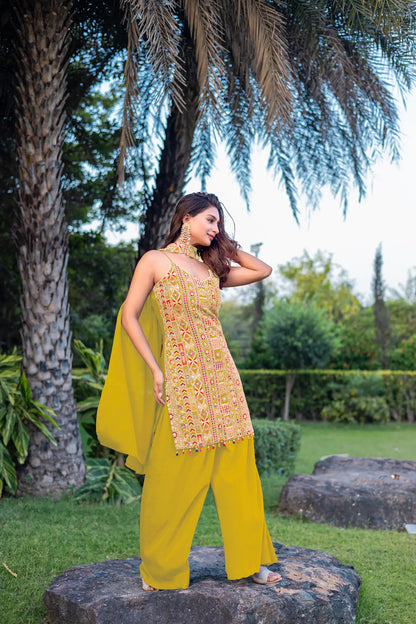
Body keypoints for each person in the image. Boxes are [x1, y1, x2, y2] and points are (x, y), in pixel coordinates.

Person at [97, 192, 281, 591]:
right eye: (211, 220)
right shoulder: (155, 261)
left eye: (219, 223)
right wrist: (155, 369)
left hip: (224, 380)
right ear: (186, 218)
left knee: (239, 474)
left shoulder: (212, 269)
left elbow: (262, 269)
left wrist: (224, 244)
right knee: (173, 478)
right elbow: (129, 315)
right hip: (182, 381)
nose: (216, 228)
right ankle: (160, 569)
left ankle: (251, 561)